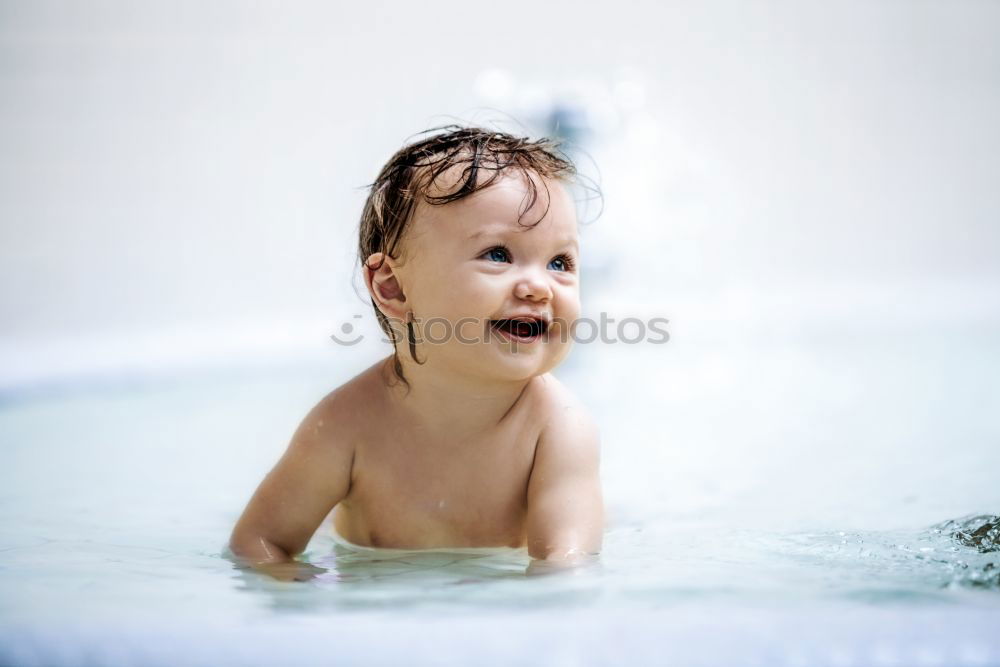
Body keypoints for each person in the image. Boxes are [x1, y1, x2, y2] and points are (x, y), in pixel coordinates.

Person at [228, 124, 604, 581]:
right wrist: (305, 595)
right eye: (499, 254)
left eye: (560, 263)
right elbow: (259, 544)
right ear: (393, 288)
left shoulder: (557, 427)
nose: (539, 287)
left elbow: (565, 569)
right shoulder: (346, 424)